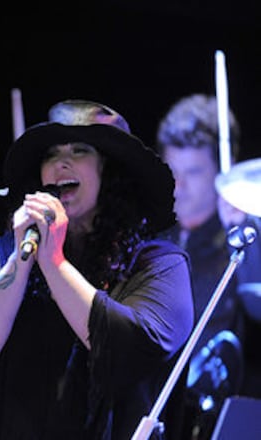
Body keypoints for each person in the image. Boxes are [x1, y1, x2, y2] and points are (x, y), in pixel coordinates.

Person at [0, 99, 195, 439]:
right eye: (51, 154)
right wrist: (22, 259)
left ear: (111, 171)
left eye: (79, 150)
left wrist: (54, 262)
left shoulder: (158, 264)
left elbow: (129, 352)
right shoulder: (9, 251)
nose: (60, 162)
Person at [156, 93, 261, 439]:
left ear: (223, 169)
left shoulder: (247, 238)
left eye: (194, 172)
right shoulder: (152, 238)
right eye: (172, 170)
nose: (179, 186)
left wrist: (253, 234)